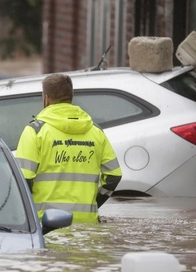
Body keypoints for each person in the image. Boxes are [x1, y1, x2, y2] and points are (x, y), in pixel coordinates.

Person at [15, 73, 122, 223]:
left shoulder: (35, 131)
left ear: (46, 98)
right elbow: (114, 176)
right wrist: (93, 205)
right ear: (70, 96)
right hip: (87, 224)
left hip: (47, 223)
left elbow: (23, 180)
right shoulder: (96, 132)